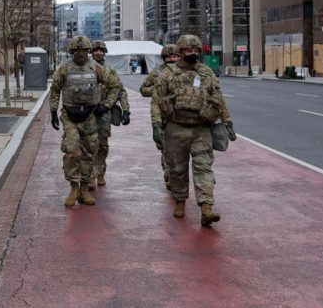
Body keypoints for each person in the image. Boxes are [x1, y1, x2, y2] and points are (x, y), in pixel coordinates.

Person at [150, 35, 236, 226]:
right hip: (175, 128)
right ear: (180, 52)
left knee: (203, 167)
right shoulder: (168, 74)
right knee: (177, 170)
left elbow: (218, 97)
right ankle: (180, 202)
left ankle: (206, 208)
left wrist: (227, 121)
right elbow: (156, 101)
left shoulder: (206, 73)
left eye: (196, 51)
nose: (193, 54)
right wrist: (156, 125)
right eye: (189, 51)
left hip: (201, 129)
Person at [50, 36, 121, 207]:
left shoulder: (96, 68)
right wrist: (53, 111)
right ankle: (73, 187)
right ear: (72, 52)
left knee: (89, 154)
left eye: (84, 50)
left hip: (90, 117)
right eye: (77, 51)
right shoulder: (65, 69)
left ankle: (84, 189)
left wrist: (106, 105)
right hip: (70, 116)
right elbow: (55, 90)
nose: (81, 54)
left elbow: (115, 85)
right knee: (72, 151)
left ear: (88, 51)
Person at [139, 44, 180, 190]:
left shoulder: (186, 71)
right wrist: (157, 87)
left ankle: (178, 176)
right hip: (163, 115)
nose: (172, 59)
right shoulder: (157, 72)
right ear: (164, 58)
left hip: (183, 116)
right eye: (168, 57)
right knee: (166, 148)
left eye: (174, 56)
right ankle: (169, 174)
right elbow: (143, 89)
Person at [90, 40, 130, 188]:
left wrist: (126, 110)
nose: (98, 52)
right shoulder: (85, 68)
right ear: (92, 52)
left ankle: (100, 173)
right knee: (88, 145)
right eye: (96, 50)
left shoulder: (110, 71)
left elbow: (120, 91)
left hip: (105, 112)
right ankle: (90, 176)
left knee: (102, 145)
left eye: (101, 50)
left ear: (105, 52)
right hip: (87, 112)